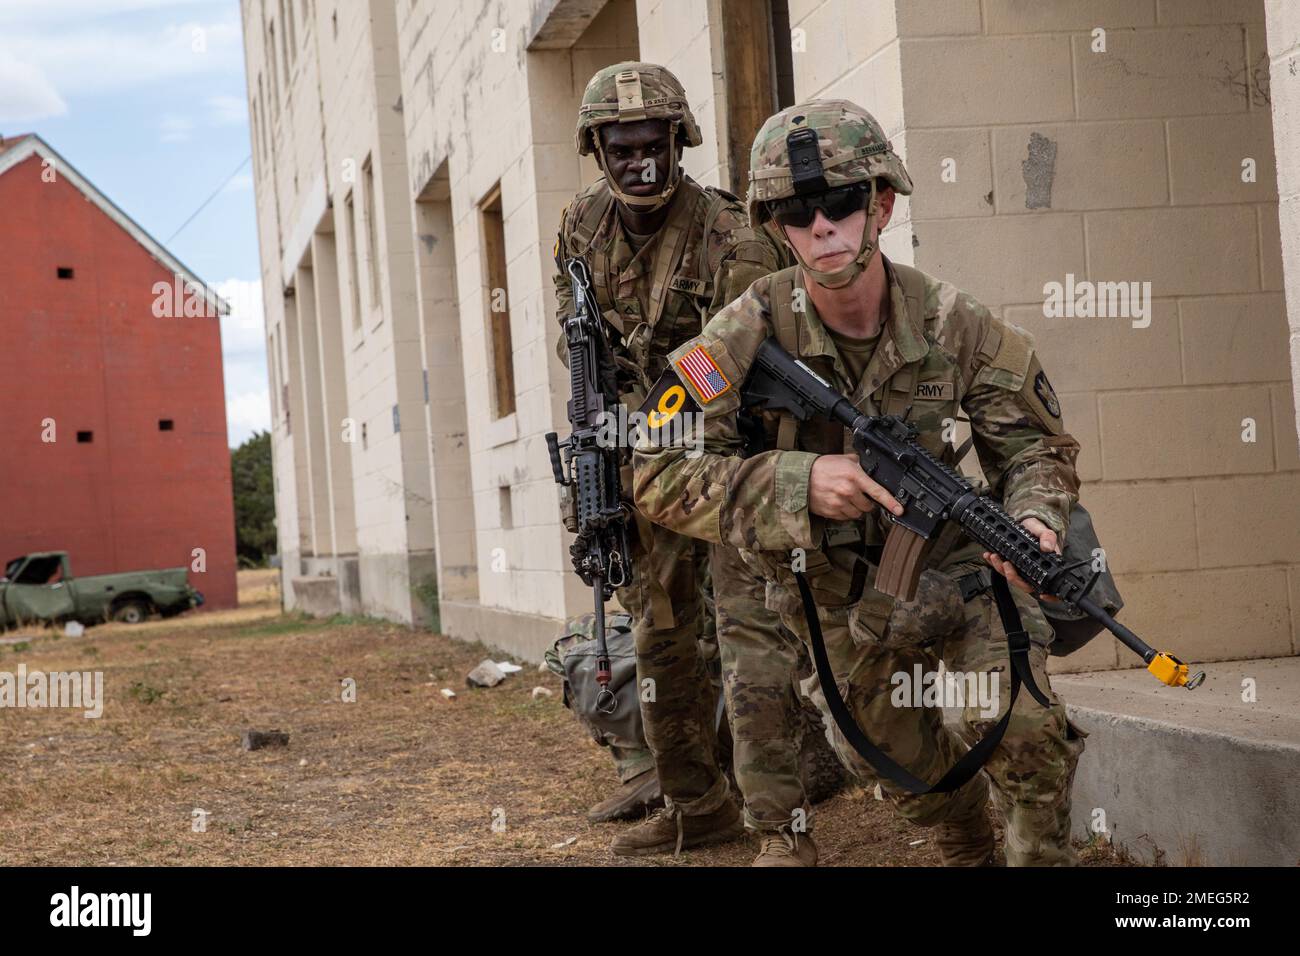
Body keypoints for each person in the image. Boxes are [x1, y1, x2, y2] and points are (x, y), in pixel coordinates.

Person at [632, 99, 1088, 866]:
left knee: (1018, 725)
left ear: (880, 204)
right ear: (775, 225)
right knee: (887, 761)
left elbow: (1036, 452)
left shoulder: (958, 325)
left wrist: (1037, 520)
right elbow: (656, 469)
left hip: (959, 564)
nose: (821, 227)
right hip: (835, 591)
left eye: (840, 203)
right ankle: (963, 833)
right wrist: (794, 482)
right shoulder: (737, 338)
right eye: (797, 212)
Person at [554, 62, 813, 861]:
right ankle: (697, 806)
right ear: (597, 149)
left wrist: (636, 424)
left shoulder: (732, 237)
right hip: (639, 463)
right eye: (621, 149)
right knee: (663, 638)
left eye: (653, 146)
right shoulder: (581, 226)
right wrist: (594, 454)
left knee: (749, 639)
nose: (640, 164)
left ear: (679, 140)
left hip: (729, 458)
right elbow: (582, 340)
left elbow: (721, 369)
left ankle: (781, 829)